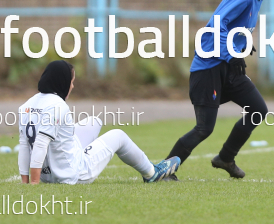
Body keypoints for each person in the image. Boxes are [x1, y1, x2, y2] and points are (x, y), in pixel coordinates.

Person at [164, 0, 274, 181]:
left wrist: (242, 43)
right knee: (204, 128)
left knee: (257, 110)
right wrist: (231, 53)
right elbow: (216, 25)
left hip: (228, 66)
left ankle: (226, 158)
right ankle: (164, 170)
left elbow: (233, 27)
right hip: (209, 68)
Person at [18, 60, 180, 184]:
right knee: (118, 135)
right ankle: (152, 173)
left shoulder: (27, 105)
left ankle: (72, 155)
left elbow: (25, 146)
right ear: (62, 81)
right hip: (72, 174)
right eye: (71, 81)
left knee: (94, 121)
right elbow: (40, 144)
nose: (72, 86)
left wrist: (25, 181)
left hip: (48, 174)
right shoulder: (58, 106)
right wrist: (34, 183)